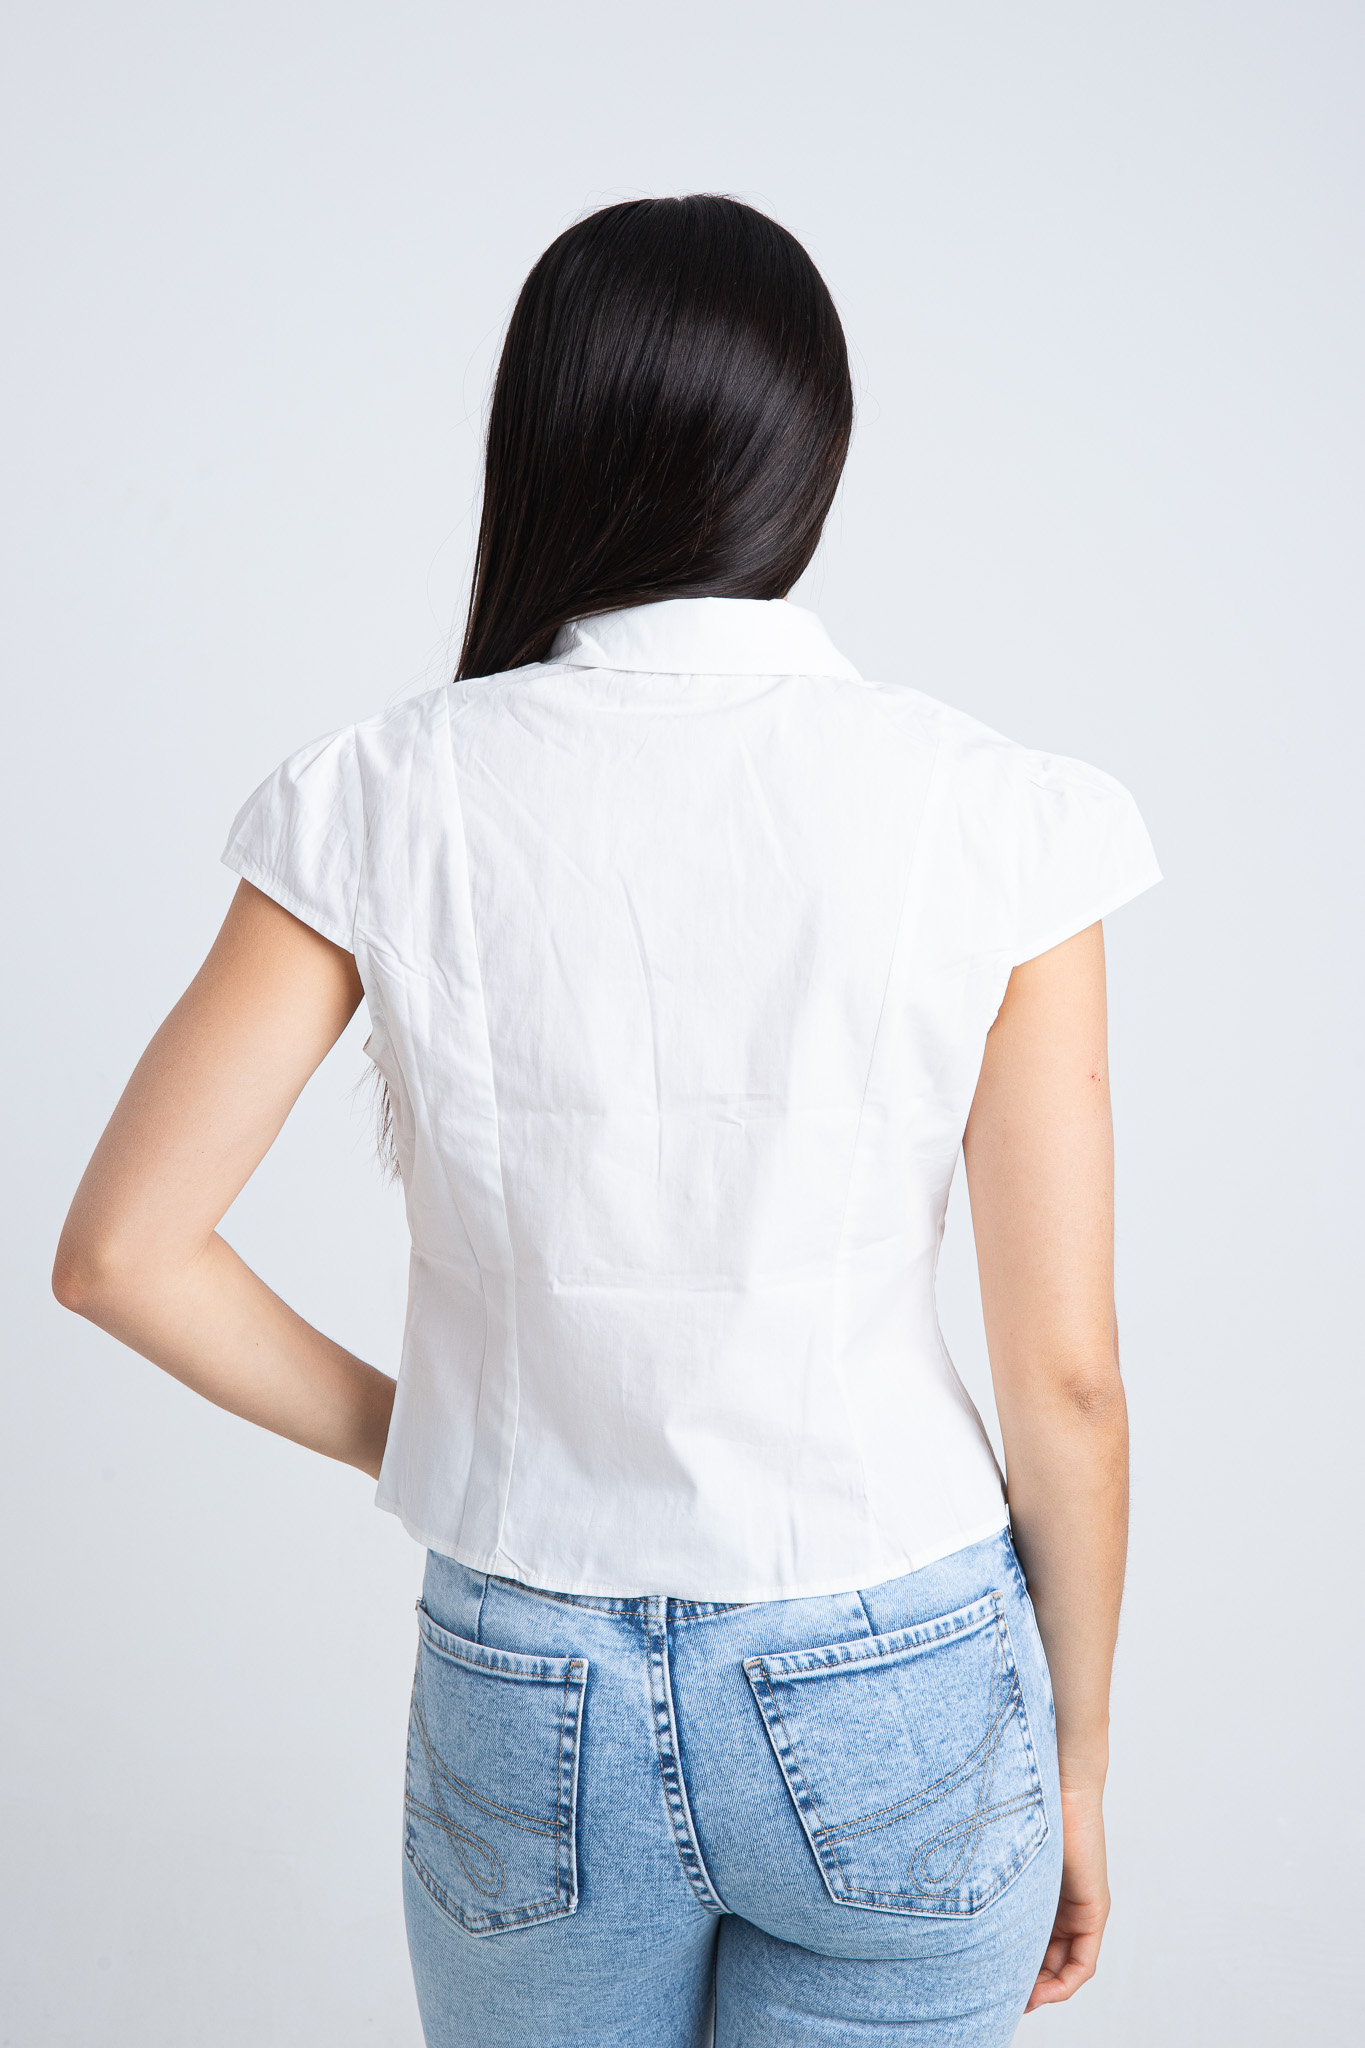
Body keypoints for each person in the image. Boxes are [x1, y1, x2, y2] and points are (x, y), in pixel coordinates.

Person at [53, 195, 1160, 2046]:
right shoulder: (995, 815)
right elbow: (1067, 1383)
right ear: (810, 458)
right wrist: (1083, 1758)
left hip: (527, 1670)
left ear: (543, 438)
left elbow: (121, 1255)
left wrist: (440, 1437)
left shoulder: (382, 792)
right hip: (897, 1664)